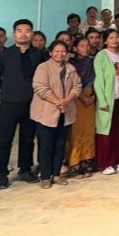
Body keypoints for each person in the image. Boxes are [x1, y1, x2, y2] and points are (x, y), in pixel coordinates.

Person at [0, 19, 45, 189]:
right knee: (5, 140)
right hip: (9, 103)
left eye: (27, 30)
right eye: (20, 30)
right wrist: (7, 88)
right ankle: (2, 175)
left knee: (28, 139)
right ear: (14, 34)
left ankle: (25, 170)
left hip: (31, 103)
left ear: (32, 34)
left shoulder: (39, 54)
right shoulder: (4, 55)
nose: (24, 34)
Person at [31, 40, 81, 189]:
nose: (60, 54)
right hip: (46, 113)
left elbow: (77, 86)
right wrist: (59, 102)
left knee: (60, 145)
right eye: (57, 51)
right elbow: (40, 88)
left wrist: (67, 101)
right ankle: (45, 177)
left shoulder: (70, 68)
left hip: (65, 113)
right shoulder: (43, 67)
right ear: (50, 53)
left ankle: (57, 175)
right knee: (46, 146)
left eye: (63, 51)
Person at [94, 29, 119, 175]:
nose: (115, 40)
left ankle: (118, 160)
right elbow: (98, 80)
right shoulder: (101, 56)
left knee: (118, 131)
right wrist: (102, 100)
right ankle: (105, 163)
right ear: (105, 41)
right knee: (105, 132)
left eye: (116, 37)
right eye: (111, 38)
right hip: (107, 100)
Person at [65, 36, 96, 178]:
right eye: (82, 46)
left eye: (87, 45)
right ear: (75, 48)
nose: (85, 48)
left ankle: (86, 161)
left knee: (88, 131)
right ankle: (73, 163)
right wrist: (81, 96)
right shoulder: (70, 64)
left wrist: (93, 97)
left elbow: (99, 81)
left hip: (90, 101)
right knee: (75, 133)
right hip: (74, 100)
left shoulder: (93, 62)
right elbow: (68, 83)